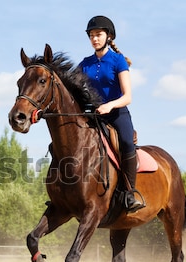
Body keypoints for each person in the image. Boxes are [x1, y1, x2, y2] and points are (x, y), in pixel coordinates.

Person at [79, 15, 144, 213]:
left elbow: (128, 97)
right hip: (93, 115)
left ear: (108, 36)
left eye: (98, 34)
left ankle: (130, 193)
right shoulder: (84, 63)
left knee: (125, 142)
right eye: (91, 35)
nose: (94, 39)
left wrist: (110, 106)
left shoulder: (118, 61)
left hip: (117, 114)